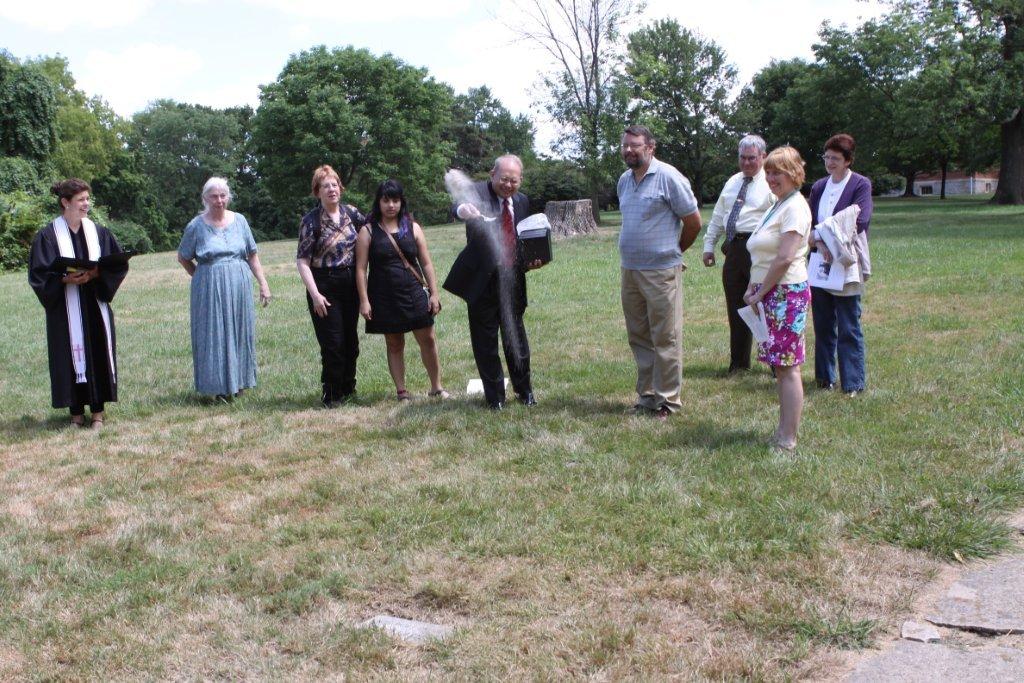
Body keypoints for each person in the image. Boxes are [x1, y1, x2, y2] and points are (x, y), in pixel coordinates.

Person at [443, 154, 545, 410]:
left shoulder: (521, 201)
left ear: (520, 180)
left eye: (514, 181)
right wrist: (461, 210)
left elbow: (523, 238)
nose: (508, 185)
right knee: (485, 341)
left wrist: (531, 260)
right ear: (492, 174)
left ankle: (525, 392)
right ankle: (495, 398)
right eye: (504, 179)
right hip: (482, 280)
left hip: (512, 280)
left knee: (516, 338)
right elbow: (455, 208)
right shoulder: (475, 192)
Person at [616, 125, 702, 419]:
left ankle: (668, 401)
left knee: (665, 336)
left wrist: (676, 252)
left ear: (650, 147)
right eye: (625, 145)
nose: (628, 150)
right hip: (630, 271)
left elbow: (693, 222)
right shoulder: (624, 181)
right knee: (639, 336)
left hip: (661, 272)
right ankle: (647, 395)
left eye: (635, 145)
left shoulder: (668, 177)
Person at [28, 178, 128, 428]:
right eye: (81, 200)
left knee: (97, 353)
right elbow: (39, 274)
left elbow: (116, 264)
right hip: (65, 308)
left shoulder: (99, 233)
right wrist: (64, 279)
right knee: (68, 356)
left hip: (95, 303)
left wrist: (95, 274)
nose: (86, 204)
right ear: (65, 202)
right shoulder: (48, 237)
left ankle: (97, 414)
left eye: (87, 199)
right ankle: (75, 414)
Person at [742, 146, 812, 451]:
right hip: (770, 292)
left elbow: (784, 258)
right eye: (768, 172)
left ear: (794, 173)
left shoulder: (795, 207)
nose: (770, 178)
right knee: (781, 367)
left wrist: (760, 291)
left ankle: (788, 438)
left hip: (785, 294)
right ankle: (783, 431)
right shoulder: (778, 205)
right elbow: (762, 253)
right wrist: (752, 287)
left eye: (777, 172)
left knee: (787, 367)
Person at [177, 177, 271, 402]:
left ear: (228, 197)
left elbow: (252, 255)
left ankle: (239, 383)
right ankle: (219, 387)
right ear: (205, 199)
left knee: (240, 330)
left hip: (239, 284)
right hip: (209, 287)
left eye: (223, 196)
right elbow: (183, 257)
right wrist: (201, 277)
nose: (219, 200)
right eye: (214, 196)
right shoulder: (196, 226)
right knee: (214, 333)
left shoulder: (240, 221)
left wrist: (263, 284)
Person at [355, 179, 448, 400]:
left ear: (401, 202)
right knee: (394, 343)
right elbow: (360, 269)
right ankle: (402, 391)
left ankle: (436, 387)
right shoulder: (367, 231)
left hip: (414, 292)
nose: (391, 205)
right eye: (386, 200)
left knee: (428, 339)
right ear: (378, 202)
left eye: (395, 200)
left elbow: (426, 263)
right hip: (384, 296)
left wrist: (434, 293)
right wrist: (364, 300)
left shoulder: (413, 227)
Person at [702, 134, 775, 373]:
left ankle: (777, 363)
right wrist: (708, 246)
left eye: (752, 158)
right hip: (734, 248)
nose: (746, 163)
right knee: (736, 306)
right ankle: (739, 364)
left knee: (766, 306)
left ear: (763, 156)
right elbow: (718, 216)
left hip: (760, 248)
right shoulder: (733, 181)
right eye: (742, 158)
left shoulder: (772, 182)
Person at [807, 133, 873, 397]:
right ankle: (824, 377)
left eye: (836, 158)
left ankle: (853, 383)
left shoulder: (860, 184)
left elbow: (860, 221)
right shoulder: (819, 186)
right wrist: (819, 242)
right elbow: (809, 222)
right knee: (823, 324)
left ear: (848, 160)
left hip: (846, 263)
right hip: (819, 262)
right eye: (827, 157)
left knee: (848, 324)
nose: (830, 162)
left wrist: (821, 237)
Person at [296, 165, 367, 407]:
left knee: (351, 341)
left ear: (341, 188)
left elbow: (372, 232)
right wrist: (315, 295)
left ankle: (348, 388)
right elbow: (302, 262)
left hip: (351, 283)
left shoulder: (352, 214)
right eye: (325, 186)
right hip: (323, 285)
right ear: (317, 192)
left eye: (334, 184)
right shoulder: (311, 221)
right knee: (333, 342)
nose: (331, 189)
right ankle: (332, 393)